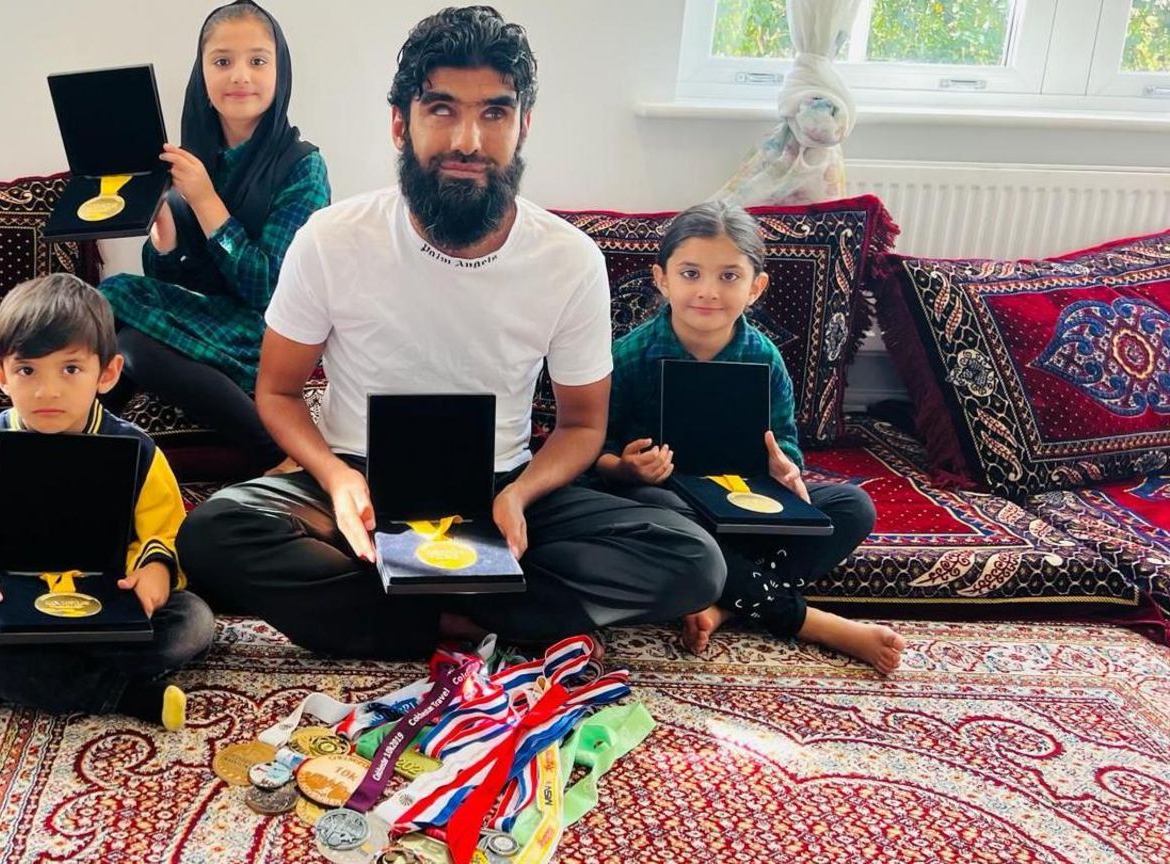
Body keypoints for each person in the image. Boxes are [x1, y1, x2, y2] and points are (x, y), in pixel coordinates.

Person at [176, 6, 725, 659]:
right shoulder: (331, 239)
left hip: (499, 484)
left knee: (693, 560)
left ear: (523, 126)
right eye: (441, 109)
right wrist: (334, 476)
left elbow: (582, 425)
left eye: (494, 113)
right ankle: (477, 622)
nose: (468, 138)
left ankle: (398, 609)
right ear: (399, 124)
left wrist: (521, 495)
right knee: (214, 533)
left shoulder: (570, 258)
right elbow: (279, 391)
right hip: (360, 476)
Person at [595, 201, 903, 674]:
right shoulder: (631, 355)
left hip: (742, 503)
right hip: (666, 505)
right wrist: (625, 466)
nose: (708, 292)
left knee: (853, 507)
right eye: (691, 273)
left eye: (729, 276)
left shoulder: (764, 359)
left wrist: (786, 470)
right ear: (662, 279)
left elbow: (783, 443)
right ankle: (812, 622)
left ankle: (725, 605)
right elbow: (595, 449)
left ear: (756, 286)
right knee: (667, 519)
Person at [0, 274, 215, 725]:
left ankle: (5, 680)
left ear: (107, 373)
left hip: (107, 612)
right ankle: (126, 696)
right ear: (1, 374)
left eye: (70, 369)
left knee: (193, 622)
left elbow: (167, 534)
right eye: (27, 370)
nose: (48, 391)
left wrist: (157, 571)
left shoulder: (139, 451)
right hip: (10, 614)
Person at [98, 0, 330, 471]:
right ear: (202, 74)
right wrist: (164, 223)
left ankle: (279, 453)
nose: (239, 75)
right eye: (222, 61)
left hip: (270, 329)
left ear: (280, 73)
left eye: (257, 61)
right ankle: (76, 443)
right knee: (105, 303)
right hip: (209, 313)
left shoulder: (303, 167)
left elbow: (268, 287)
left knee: (135, 345)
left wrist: (205, 201)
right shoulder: (194, 155)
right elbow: (172, 275)